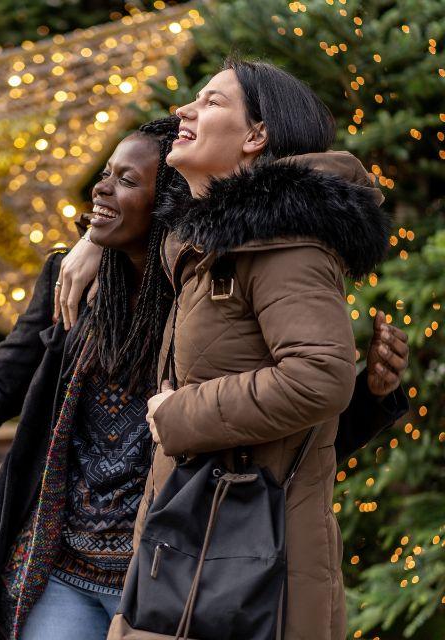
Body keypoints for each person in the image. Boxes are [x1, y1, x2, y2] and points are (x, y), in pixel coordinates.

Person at [0, 82, 407, 640]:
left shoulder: (207, 287)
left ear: (166, 200)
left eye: (126, 180)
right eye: (104, 174)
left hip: (173, 570)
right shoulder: (74, 286)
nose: (100, 190)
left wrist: (371, 396)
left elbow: (271, 434)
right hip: (62, 572)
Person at [55, 59, 408, 640]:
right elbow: (136, 196)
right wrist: (94, 243)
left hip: (247, 574)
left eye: (212, 102)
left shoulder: (282, 243)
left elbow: (317, 376)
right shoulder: (211, 246)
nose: (183, 112)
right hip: (197, 553)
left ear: (255, 136)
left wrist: (179, 415)